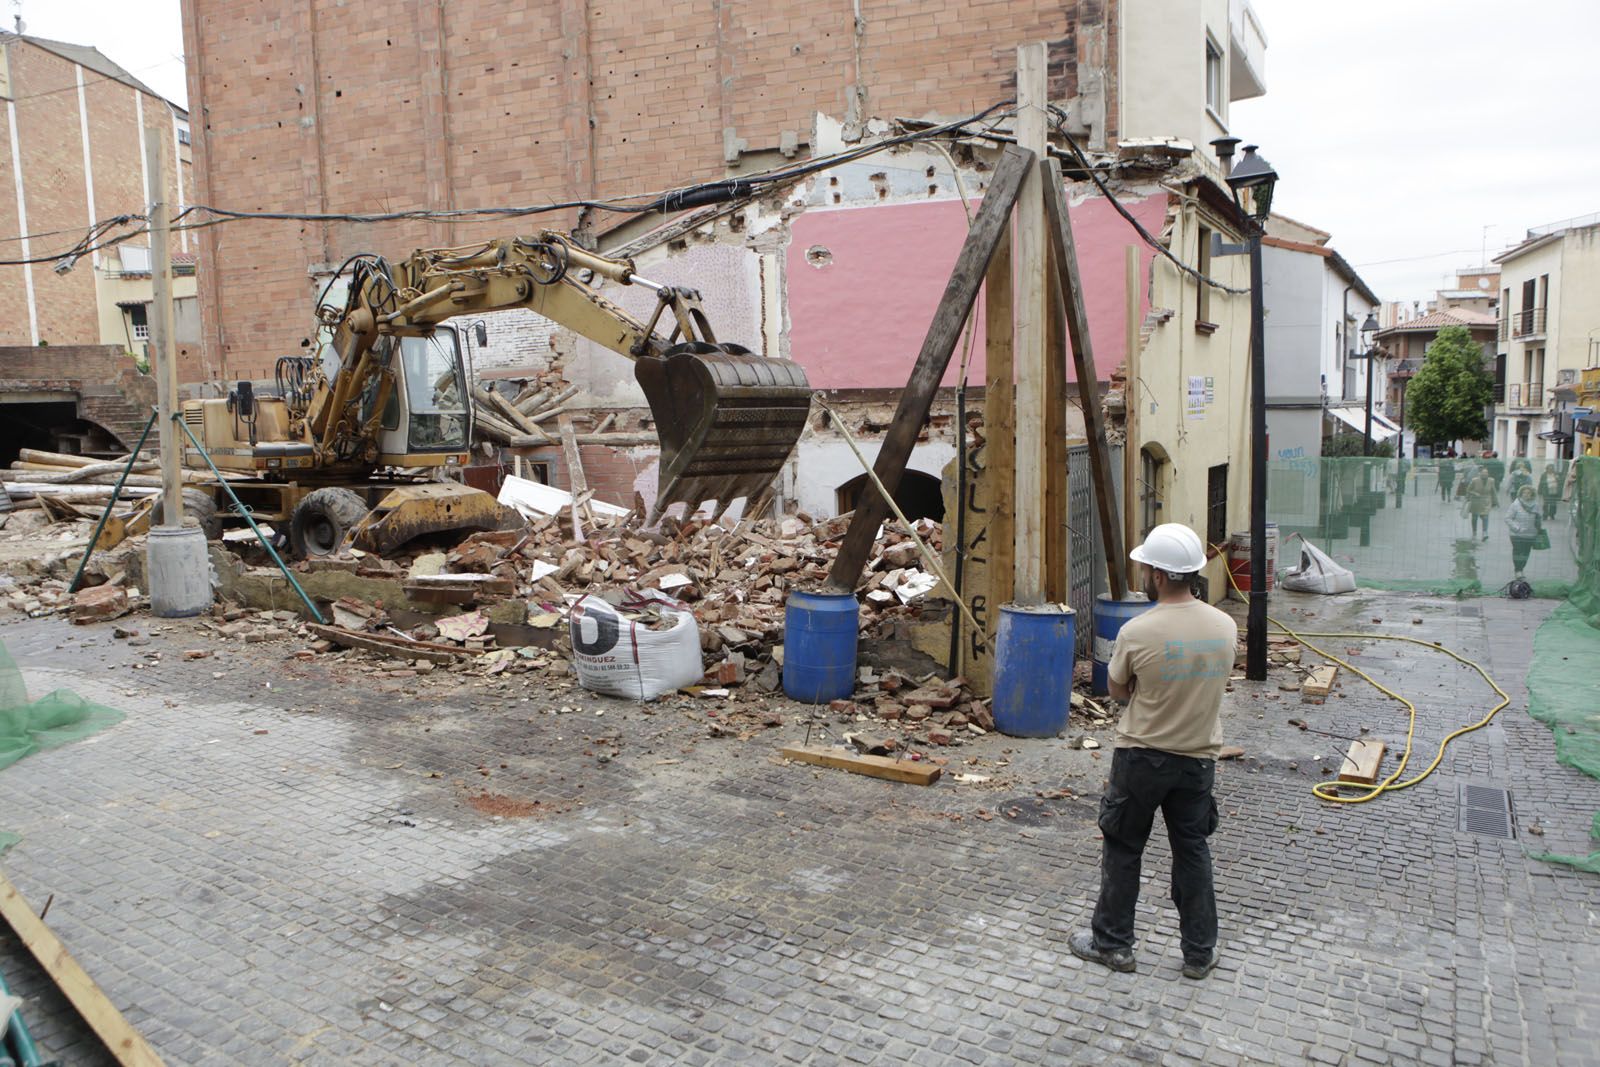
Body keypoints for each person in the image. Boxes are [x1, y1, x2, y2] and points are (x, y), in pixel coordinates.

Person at [1068, 523, 1238, 980]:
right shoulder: (1225, 626)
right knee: (1192, 851)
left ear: (1159, 576)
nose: (1143, 576)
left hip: (1141, 757)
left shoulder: (1137, 631)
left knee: (1124, 848)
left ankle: (1113, 945)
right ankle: (1199, 952)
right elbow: (1218, 679)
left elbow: (1117, 690)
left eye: (1145, 569)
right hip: (1198, 759)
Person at [1505, 484, 1543, 578]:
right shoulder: (1515, 505)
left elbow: (1539, 517)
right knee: (1518, 551)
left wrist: (1538, 528)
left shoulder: (1536, 505)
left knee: (1526, 552)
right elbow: (1507, 518)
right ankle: (1518, 570)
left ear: (1532, 494)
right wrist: (1517, 528)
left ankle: (1521, 568)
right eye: (1524, 493)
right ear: (1521, 494)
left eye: (1528, 493)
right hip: (1516, 534)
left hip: (1530, 534)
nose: (1526, 495)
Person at [1464, 467, 1497, 541]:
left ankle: (1485, 533)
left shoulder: (1491, 480)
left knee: (1485, 516)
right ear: (1480, 473)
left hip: (1486, 501)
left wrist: (1495, 502)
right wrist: (1474, 493)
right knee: (1474, 518)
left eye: (1486, 472)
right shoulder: (1474, 480)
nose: (1485, 474)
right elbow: (1468, 489)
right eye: (1483, 472)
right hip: (1476, 501)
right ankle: (1474, 532)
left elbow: (1493, 491)